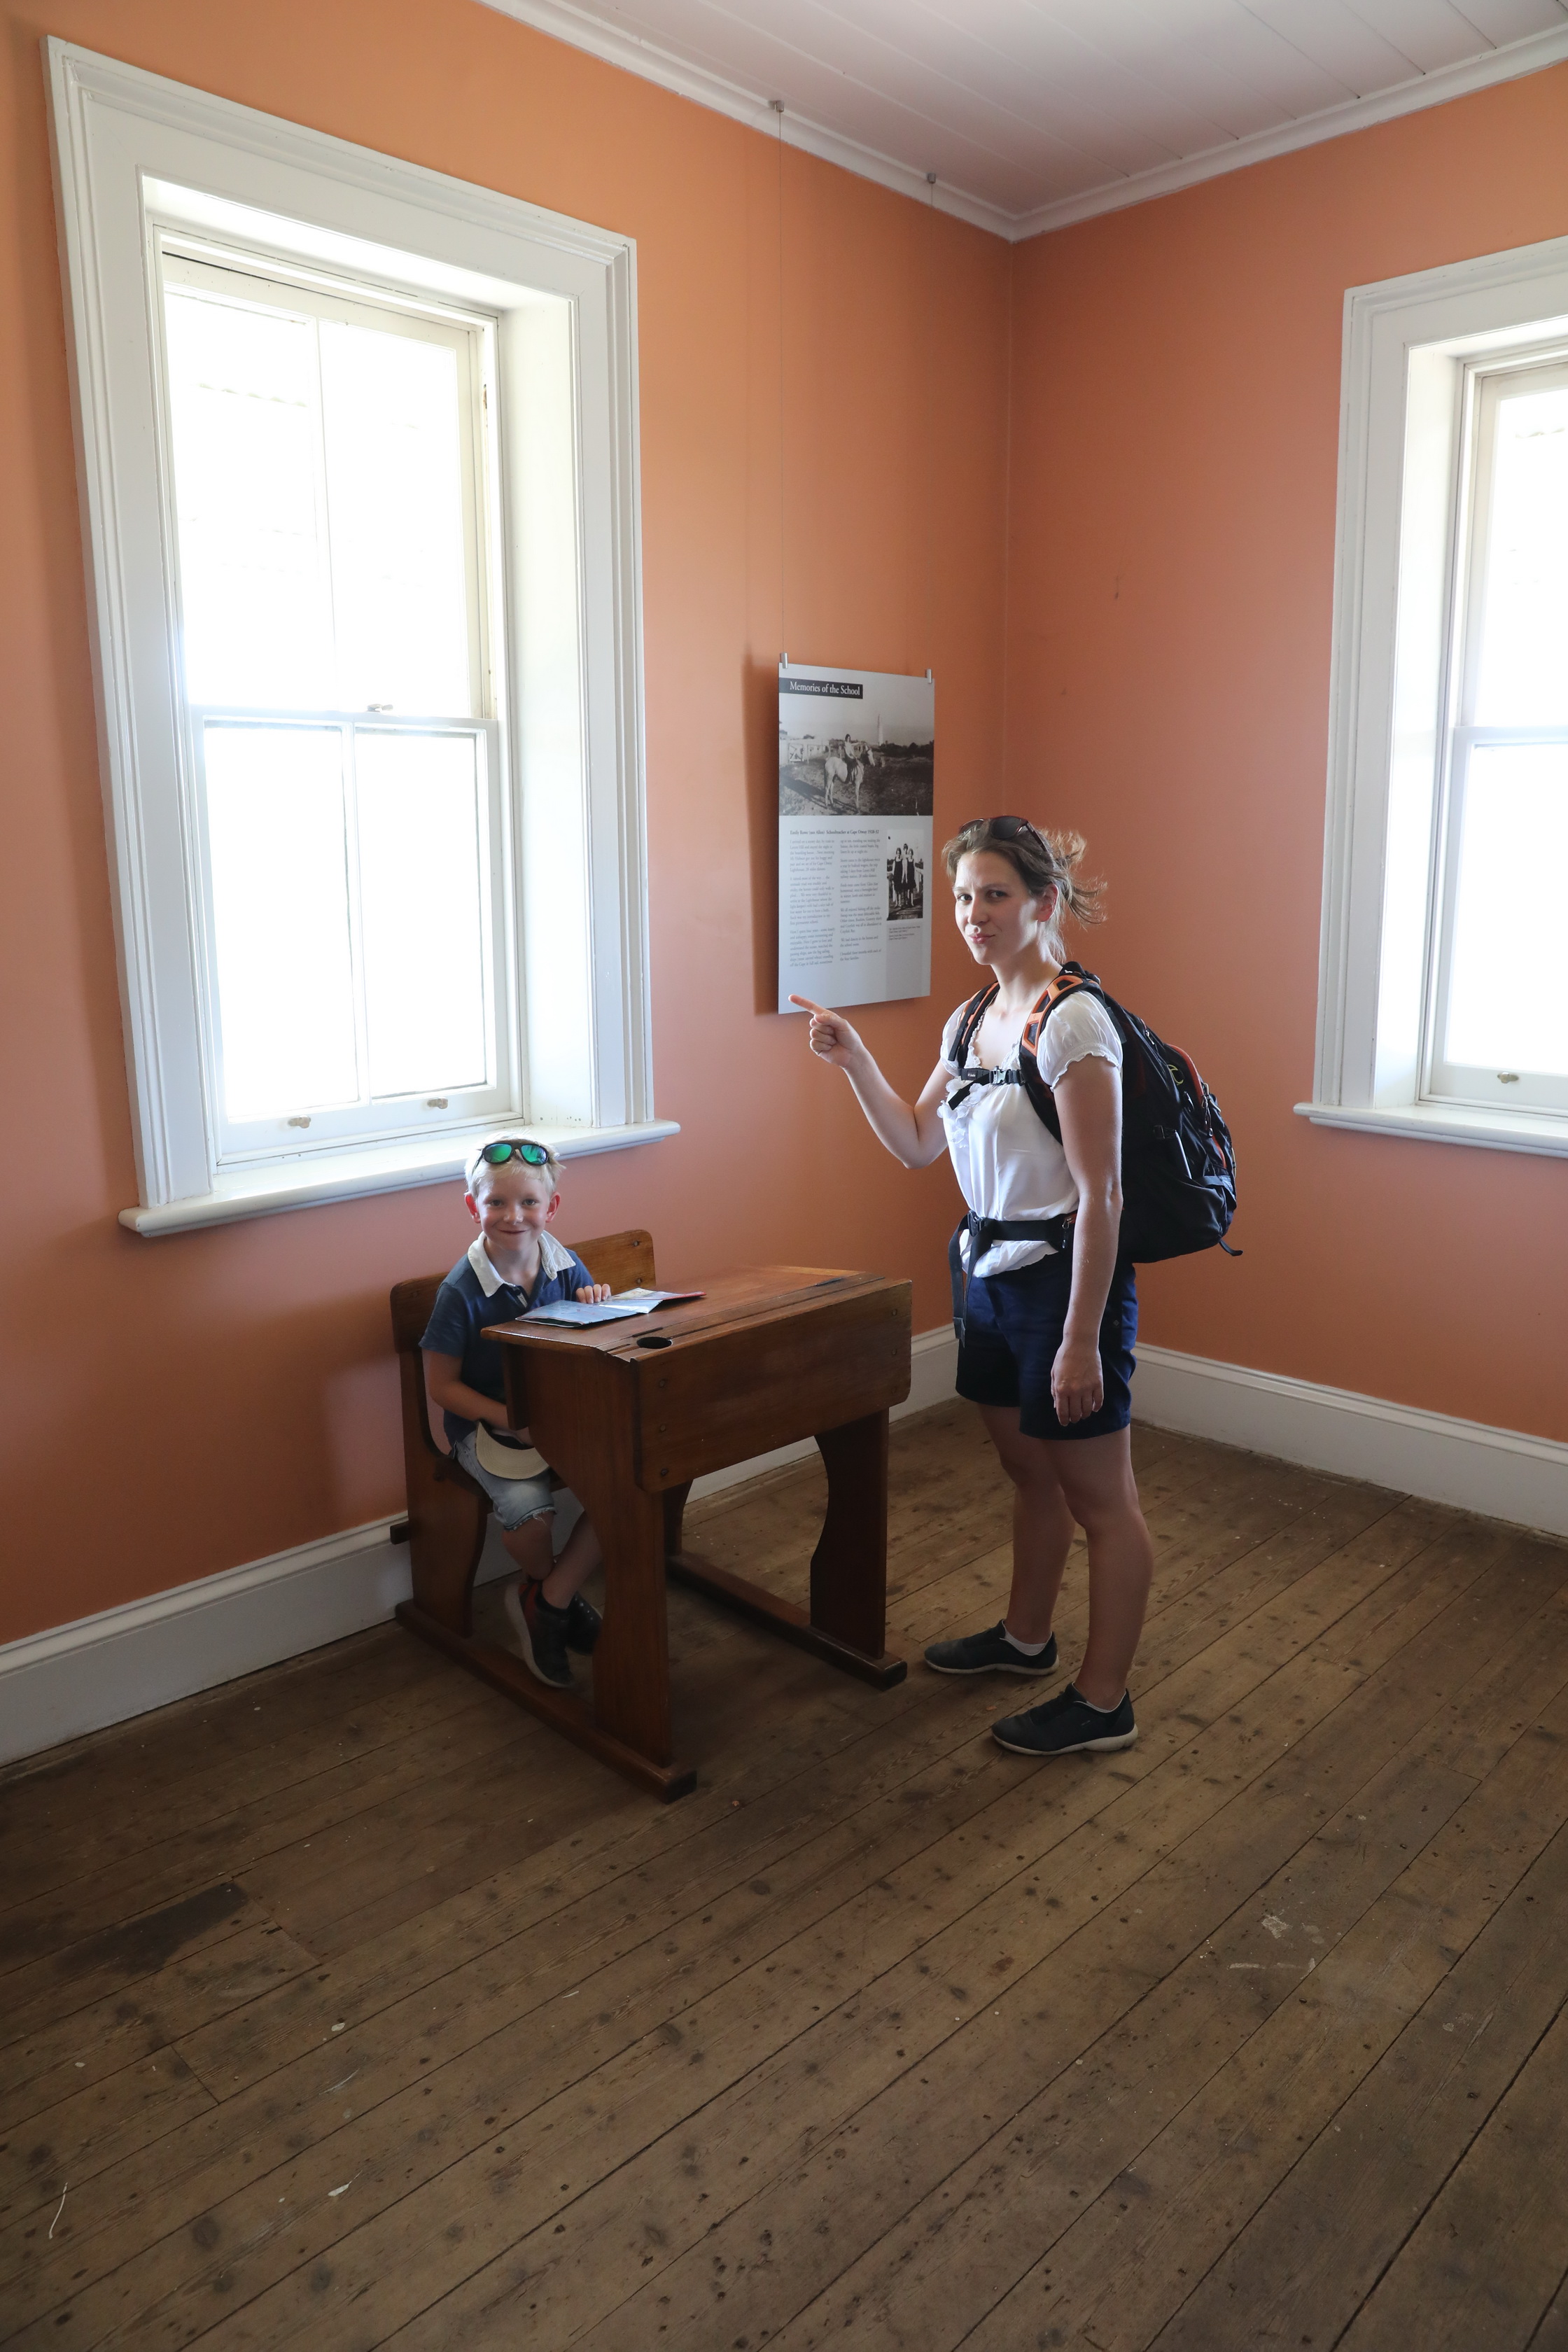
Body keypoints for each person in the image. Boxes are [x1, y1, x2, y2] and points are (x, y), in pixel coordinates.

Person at [791, 815, 1155, 1760]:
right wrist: (853, 1059)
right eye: (962, 896)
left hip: (1064, 1288)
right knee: (1029, 1472)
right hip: (987, 1278)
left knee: (1103, 1503)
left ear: (1044, 903)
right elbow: (919, 1143)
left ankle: (1104, 1700)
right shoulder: (970, 1021)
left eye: (994, 894)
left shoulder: (1072, 1022)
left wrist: (1080, 1339)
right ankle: (1026, 1641)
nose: (973, 913)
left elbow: (1102, 1195)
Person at [419, 1138, 611, 1691]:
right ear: (472, 1207)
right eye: (497, 1203)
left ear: (550, 1209)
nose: (513, 1216)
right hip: (487, 1431)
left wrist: (595, 1308)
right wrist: (511, 1418)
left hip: (555, 1420)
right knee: (532, 1521)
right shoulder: (461, 1291)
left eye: (528, 1203)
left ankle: (546, 1601)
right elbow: (442, 1386)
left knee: (624, 1489)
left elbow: (585, 1347)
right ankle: (551, 1593)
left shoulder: (565, 1264)